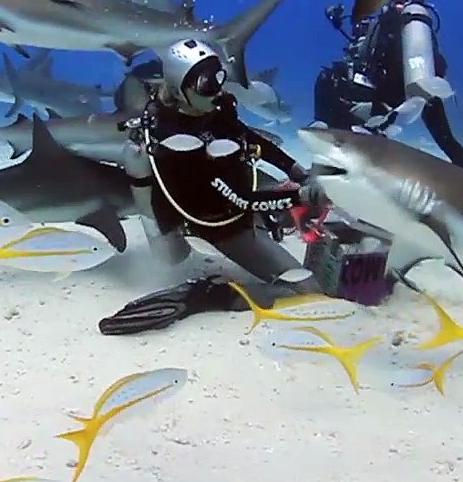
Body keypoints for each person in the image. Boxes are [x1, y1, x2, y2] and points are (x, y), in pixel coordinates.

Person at [99, 39, 328, 335]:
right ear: (182, 88)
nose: (218, 89)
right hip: (218, 222)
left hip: (235, 206)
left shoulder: (214, 108)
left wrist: (296, 170)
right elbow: (240, 200)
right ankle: (206, 296)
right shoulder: (173, 142)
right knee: (307, 292)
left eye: (219, 78)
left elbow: (249, 138)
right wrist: (299, 196)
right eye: (207, 84)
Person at [313, 0, 463, 169]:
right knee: (447, 141)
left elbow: (367, 60)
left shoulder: (384, 22)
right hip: (426, 86)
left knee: (343, 104)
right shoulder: (416, 25)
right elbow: (441, 66)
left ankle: (335, 169)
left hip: (389, 93)